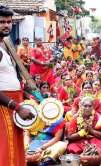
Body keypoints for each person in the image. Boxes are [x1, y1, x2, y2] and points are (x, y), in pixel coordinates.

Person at [0, 6, 34, 166]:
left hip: (14, 104)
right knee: (8, 148)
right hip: (5, 107)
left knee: (15, 146)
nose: (6, 25)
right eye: (1, 22)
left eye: (9, 22)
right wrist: (17, 107)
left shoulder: (5, 45)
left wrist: (27, 96)